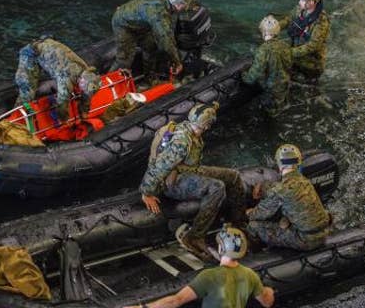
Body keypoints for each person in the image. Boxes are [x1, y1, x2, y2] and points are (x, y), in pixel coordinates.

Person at [139, 102, 247, 260]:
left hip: (188, 170)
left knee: (233, 176)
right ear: (207, 125)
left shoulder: (189, 128)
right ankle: (195, 236)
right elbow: (159, 167)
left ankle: (239, 222)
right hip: (172, 183)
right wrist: (146, 192)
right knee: (217, 187)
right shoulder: (181, 142)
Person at [124, 226, 275, 308]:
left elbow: (175, 301)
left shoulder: (210, 276)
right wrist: (268, 290)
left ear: (221, 248)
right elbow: (267, 302)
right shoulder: (250, 275)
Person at [242, 0, 330, 116]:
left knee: (309, 91)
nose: (300, 2)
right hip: (294, 56)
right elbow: (289, 20)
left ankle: (311, 111)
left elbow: (312, 46)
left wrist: (287, 52)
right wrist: (274, 28)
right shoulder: (300, 9)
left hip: (311, 63)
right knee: (287, 83)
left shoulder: (321, 21)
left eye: (303, 0)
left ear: (312, 2)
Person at [247, 144, 332, 251]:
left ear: (279, 164)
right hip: (323, 234)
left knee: (253, 226)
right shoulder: (305, 181)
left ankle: (257, 251)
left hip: (305, 240)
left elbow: (258, 215)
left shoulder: (280, 191)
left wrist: (249, 212)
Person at [111, 0, 195, 77]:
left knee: (151, 46)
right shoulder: (159, 14)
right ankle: (107, 82)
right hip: (124, 25)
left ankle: (149, 76)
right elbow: (165, 41)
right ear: (178, 5)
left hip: (141, 23)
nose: (185, 7)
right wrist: (177, 62)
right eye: (184, 5)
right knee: (124, 60)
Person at [14, 37, 101, 121]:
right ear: (82, 81)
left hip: (48, 49)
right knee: (27, 90)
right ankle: (15, 115)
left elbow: (87, 94)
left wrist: (84, 111)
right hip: (32, 53)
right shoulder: (67, 77)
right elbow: (62, 102)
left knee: (63, 85)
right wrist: (64, 119)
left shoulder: (86, 70)